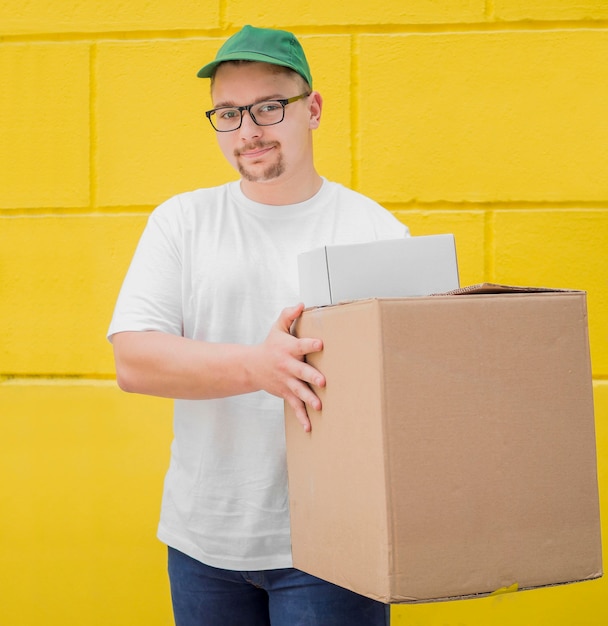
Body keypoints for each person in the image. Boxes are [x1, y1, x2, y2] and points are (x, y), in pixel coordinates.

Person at [108, 25, 409, 626]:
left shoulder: (377, 234)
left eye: (269, 106)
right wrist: (259, 367)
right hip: (202, 543)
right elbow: (133, 361)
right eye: (227, 113)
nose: (248, 130)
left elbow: (413, 390)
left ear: (312, 110)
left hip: (336, 548)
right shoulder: (182, 223)